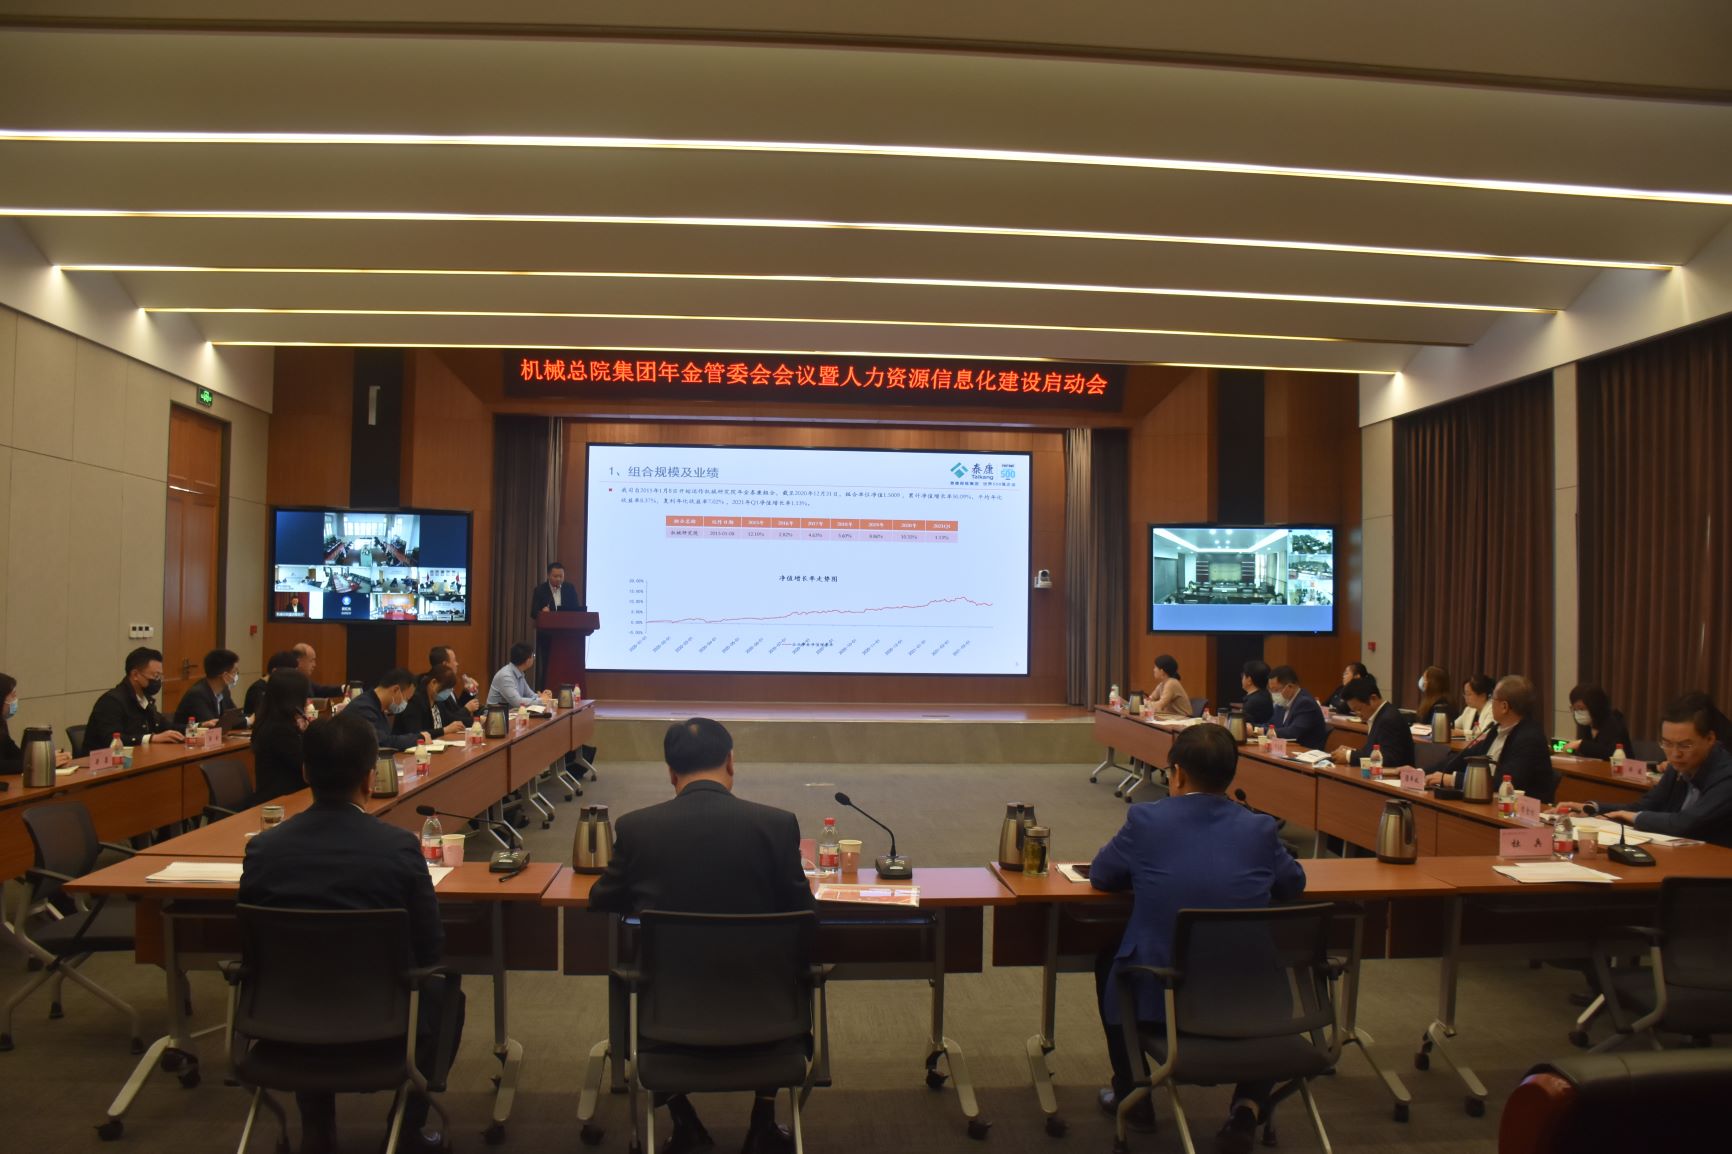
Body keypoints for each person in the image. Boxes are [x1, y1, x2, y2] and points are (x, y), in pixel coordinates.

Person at [238, 712, 463, 1154]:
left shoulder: (263, 849)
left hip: (285, 1015)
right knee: (446, 996)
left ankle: (317, 1129)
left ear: (305, 772)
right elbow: (430, 946)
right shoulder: (398, 848)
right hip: (384, 1016)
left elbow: (248, 946)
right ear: (369, 777)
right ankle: (406, 1130)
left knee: (305, 978)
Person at [590, 718, 813, 1154]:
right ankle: (764, 1119)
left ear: (670, 771)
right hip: (768, 1017)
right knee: (787, 966)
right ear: (730, 762)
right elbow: (806, 917)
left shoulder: (637, 828)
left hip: (668, 1020)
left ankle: (683, 1119)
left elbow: (603, 899)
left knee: (637, 973)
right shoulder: (776, 825)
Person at [1089, 724, 1307, 1151]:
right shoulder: (1260, 828)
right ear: (1231, 775)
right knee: (1263, 965)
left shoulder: (1146, 820)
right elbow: (1292, 884)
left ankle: (1135, 1093)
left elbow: (1102, 874)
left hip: (1162, 998)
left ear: (1178, 774)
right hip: (1253, 1002)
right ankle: (1246, 1109)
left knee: (1110, 960)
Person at [1558, 693, 1732, 847]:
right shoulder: (1678, 766)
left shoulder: (1726, 775)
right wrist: (1592, 808)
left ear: (1710, 739)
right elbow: (1644, 806)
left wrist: (1635, 817)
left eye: (1685, 745)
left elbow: (1686, 823)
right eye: (1667, 743)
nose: (1675, 754)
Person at [1428, 675, 1556, 802]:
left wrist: (1454, 780)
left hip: (1519, 809)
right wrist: (1424, 772)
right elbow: (1463, 758)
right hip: (1489, 800)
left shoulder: (1529, 739)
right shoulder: (1496, 729)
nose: (1490, 703)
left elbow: (1504, 782)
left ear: (1504, 707)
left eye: (1493, 698)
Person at [85, 647, 187, 749]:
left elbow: (166, 727)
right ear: (135, 675)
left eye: (160, 676)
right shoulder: (111, 701)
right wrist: (151, 738)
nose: (158, 681)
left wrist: (194, 728)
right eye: (156, 676)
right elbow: (113, 740)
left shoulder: (145, 699)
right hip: (104, 758)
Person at [249, 670, 312, 805]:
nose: (307, 701)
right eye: (304, 695)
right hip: (279, 802)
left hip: (288, 796)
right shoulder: (279, 730)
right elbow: (306, 766)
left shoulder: (269, 721)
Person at [1330, 675, 1415, 768]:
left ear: (1373, 699)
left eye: (1359, 709)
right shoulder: (1380, 715)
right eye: (1354, 711)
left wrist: (1349, 756)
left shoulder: (1388, 719)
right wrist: (1352, 751)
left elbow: (1388, 760)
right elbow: (1372, 752)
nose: (1357, 714)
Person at [1, 673, 72, 773]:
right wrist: (40, 763)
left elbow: (17, 756)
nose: (15, 700)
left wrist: (48, 757)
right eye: (12, 696)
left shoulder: (2, 724)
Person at [345, 667, 426, 751]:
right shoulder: (363, 707)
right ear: (395, 690)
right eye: (406, 699)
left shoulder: (377, 706)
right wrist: (419, 738)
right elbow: (383, 742)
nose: (406, 703)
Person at [172, 648, 241, 729]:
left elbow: (234, 716)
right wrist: (248, 720)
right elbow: (212, 724)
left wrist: (246, 720)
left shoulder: (224, 691)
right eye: (234, 672)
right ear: (225, 676)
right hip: (189, 736)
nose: (236, 675)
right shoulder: (197, 695)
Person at [1564, 683, 1634, 760]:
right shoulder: (1587, 725)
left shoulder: (1614, 722)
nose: (1578, 713)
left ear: (1594, 706)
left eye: (1581, 709)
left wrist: (1581, 744)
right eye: (1574, 709)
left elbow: (1611, 752)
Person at [396, 669, 470, 740]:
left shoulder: (438, 702)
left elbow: (451, 718)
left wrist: (475, 721)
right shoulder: (415, 702)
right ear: (433, 682)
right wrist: (444, 730)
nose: (448, 693)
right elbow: (416, 733)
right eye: (446, 689)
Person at [1268, 666, 1328, 749]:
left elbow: (1293, 732)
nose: (1273, 694)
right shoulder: (1283, 702)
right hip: (1286, 748)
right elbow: (1271, 725)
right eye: (1271, 690)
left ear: (1290, 686)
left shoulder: (1305, 703)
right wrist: (1255, 729)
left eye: (1276, 690)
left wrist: (1266, 732)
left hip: (1305, 751)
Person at [488, 643, 553, 710]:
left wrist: (543, 696)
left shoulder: (519, 673)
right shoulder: (506, 676)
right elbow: (517, 702)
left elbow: (530, 695)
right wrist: (541, 700)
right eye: (533, 655)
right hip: (495, 715)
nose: (534, 658)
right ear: (528, 661)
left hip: (511, 713)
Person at [243, 650, 301, 718]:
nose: (293, 679)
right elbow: (262, 716)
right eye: (290, 674)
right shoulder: (257, 689)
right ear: (275, 672)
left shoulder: (278, 687)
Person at [428, 646, 482, 716]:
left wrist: (468, 692)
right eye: (454, 660)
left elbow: (456, 708)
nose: (457, 664)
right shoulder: (438, 687)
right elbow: (448, 718)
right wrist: (467, 710)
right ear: (445, 664)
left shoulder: (447, 683)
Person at [1145, 655, 1192, 720]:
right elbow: (1151, 698)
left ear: (1162, 671)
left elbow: (1160, 705)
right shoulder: (1162, 684)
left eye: (1155, 667)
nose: (1153, 670)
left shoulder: (1171, 683)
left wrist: (1146, 704)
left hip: (1184, 719)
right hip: (1173, 717)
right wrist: (1146, 701)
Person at [1455, 674, 1497, 740]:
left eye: (1468, 694)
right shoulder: (1469, 709)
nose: (1465, 697)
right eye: (1465, 694)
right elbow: (1454, 725)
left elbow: (1484, 735)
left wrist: (1462, 733)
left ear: (1483, 696)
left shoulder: (1493, 709)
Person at [1239, 660, 1273, 728]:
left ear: (1249, 680)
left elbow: (1243, 727)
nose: (1242, 678)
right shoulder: (1264, 694)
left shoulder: (1253, 702)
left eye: (1243, 675)